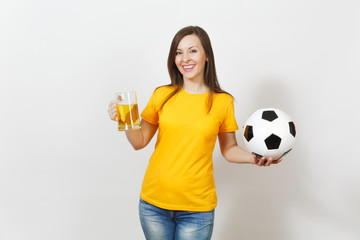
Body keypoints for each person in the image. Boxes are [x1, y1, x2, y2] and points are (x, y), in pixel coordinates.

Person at [107, 26, 282, 240]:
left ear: (206, 55)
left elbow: (229, 149)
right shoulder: (161, 95)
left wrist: (254, 159)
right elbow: (139, 141)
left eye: (192, 51)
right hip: (153, 205)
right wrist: (125, 118)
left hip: (197, 210)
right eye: (178, 52)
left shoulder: (222, 102)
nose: (185, 58)